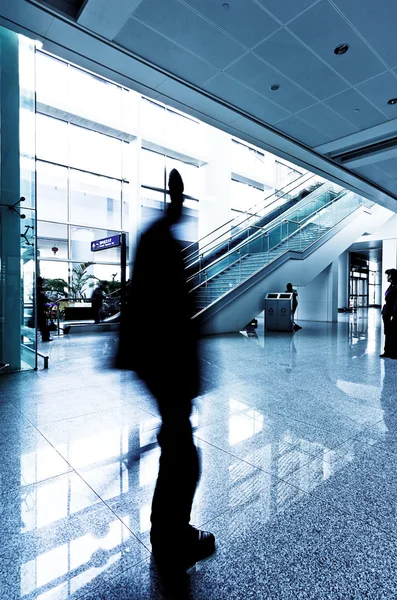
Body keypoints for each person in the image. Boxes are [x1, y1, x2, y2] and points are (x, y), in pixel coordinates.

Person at [117, 169, 215, 574]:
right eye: (180, 197)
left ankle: (169, 533)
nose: (183, 204)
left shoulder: (156, 237)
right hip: (165, 361)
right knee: (183, 456)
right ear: (173, 197)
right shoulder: (163, 241)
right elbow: (173, 312)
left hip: (157, 361)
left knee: (179, 447)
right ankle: (172, 537)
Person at [380, 268, 397, 359]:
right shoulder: (391, 286)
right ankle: (387, 351)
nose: (387, 277)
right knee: (387, 332)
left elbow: (395, 302)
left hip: (392, 313)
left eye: (388, 275)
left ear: (392, 276)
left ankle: (394, 352)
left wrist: (393, 314)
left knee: (393, 333)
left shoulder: (396, 287)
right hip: (387, 312)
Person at [37, 276, 52, 342]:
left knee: (42, 324)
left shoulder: (36, 289)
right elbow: (43, 299)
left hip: (39, 309)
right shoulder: (39, 289)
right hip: (40, 309)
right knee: (43, 324)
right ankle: (45, 337)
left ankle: (45, 336)